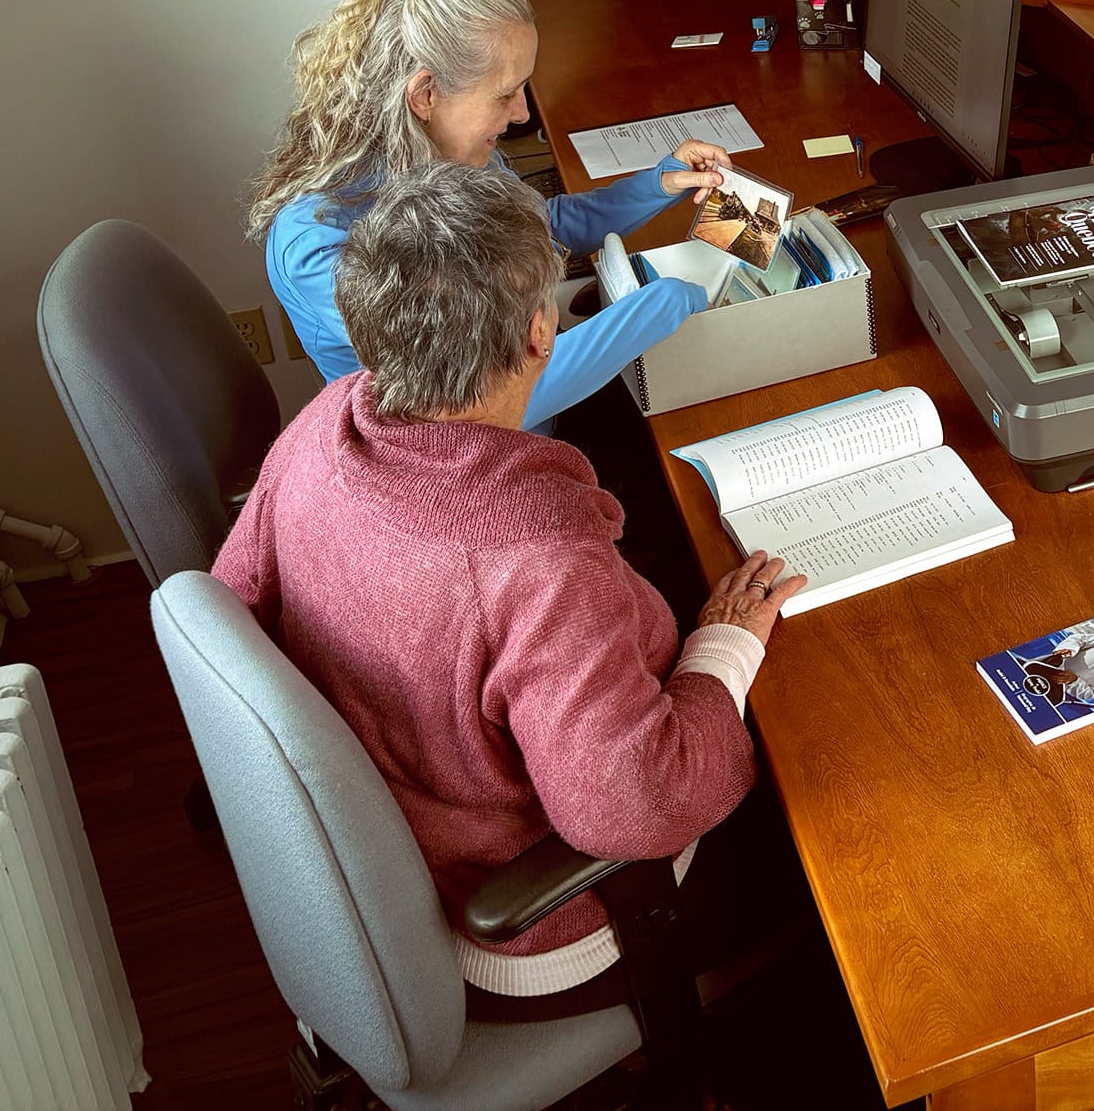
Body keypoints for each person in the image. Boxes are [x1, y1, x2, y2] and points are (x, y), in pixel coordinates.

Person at [214, 161, 808, 1011]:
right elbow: (638, 807)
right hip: (545, 917)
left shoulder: (322, 423)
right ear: (541, 334)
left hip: (404, 830)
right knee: (824, 812)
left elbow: (231, 607)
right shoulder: (535, 561)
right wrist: (723, 648)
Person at [247, 0, 723, 432]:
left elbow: (541, 226)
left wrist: (659, 184)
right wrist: (662, 305)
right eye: (505, 93)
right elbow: (486, 397)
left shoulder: (451, 150)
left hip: (540, 407)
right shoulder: (316, 243)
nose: (521, 114)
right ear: (425, 95)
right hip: (459, 472)